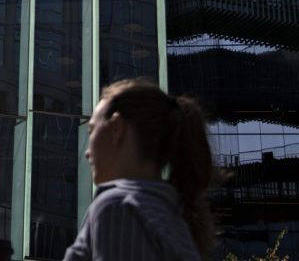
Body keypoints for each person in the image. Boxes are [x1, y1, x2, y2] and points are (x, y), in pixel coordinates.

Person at [63, 78, 215, 261]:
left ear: (117, 128)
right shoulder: (171, 216)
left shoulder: (120, 207)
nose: (87, 152)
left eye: (91, 130)